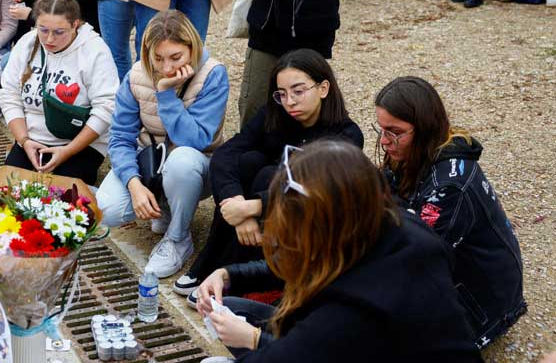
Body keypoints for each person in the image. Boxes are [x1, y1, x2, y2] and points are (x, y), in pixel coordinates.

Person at [196, 140, 483, 362]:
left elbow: (300, 352)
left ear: (321, 227)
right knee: (233, 309)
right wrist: (228, 274)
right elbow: (301, 264)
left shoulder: (353, 309)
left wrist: (256, 339)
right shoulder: (388, 224)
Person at [177, 49, 363, 298]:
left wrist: (256, 206)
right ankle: (212, 260)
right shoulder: (274, 115)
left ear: (323, 88)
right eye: (282, 94)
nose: (289, 102)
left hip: (307, 224)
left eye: (298, 91)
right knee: (248, 162)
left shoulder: (346, 136)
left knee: (270, 175)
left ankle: (239, 273)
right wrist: (238, 205)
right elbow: (226, 154)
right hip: (256, 212)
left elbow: (316, 190)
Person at [374, 77, 526, 347]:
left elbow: (415, 258)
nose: (385, 141)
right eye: (382, 129)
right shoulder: (413, 151)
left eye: (394, 132)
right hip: (456, 272)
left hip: (480, 301)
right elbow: (383, 194)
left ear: (423, 128)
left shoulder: (449, 185)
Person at [99, 10, 228, 277]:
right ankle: (164, 204)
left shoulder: (213, 74)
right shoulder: (137, 74)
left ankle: (179, 238)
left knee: (181, 161)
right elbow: (120, 136)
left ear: (192, 48)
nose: (166, 67)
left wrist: (166, 94)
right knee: (106, 210)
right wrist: (134, 185)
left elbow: (196, 139)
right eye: (157, 58)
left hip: (197, 164)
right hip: (151, 159)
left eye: (176, 57)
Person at [0, 0, 119, 186]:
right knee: (9, 193)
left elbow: (107, 108)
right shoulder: (27, 43)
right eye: (43, 30)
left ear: (75, 25)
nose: (49, 39)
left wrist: (68, 151)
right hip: (32, 140)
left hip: (78, 144)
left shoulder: (95, 50)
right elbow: (9, 95)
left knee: (61, 200)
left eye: (59, 32)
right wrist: (24, 140)